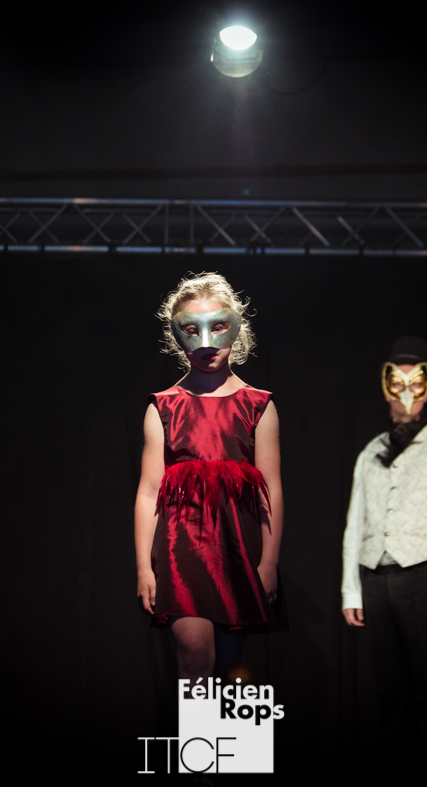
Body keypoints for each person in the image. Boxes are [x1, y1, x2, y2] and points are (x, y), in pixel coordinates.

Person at [134, 272, 285, 681]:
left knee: (227, 666)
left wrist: (269, 563)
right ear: (177, 335)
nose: (206, 341)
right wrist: (144, 567)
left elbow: (270, 489)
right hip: (181, 548)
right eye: (191, 329)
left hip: (237, 547)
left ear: (236, 327)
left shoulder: (258, 405)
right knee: (195, 656)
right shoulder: (163, 407)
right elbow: (149, 491)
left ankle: (221, 727)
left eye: (218, 326)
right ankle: (197, 727)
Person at [341, 336, 427, 748]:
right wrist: (351, 590)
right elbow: (355, 524)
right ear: (385, 387)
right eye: (397, 382)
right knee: (390, 690)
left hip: (424, 577)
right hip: (377, 581)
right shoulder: (371, 451)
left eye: (415, 382)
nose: (406, 392)